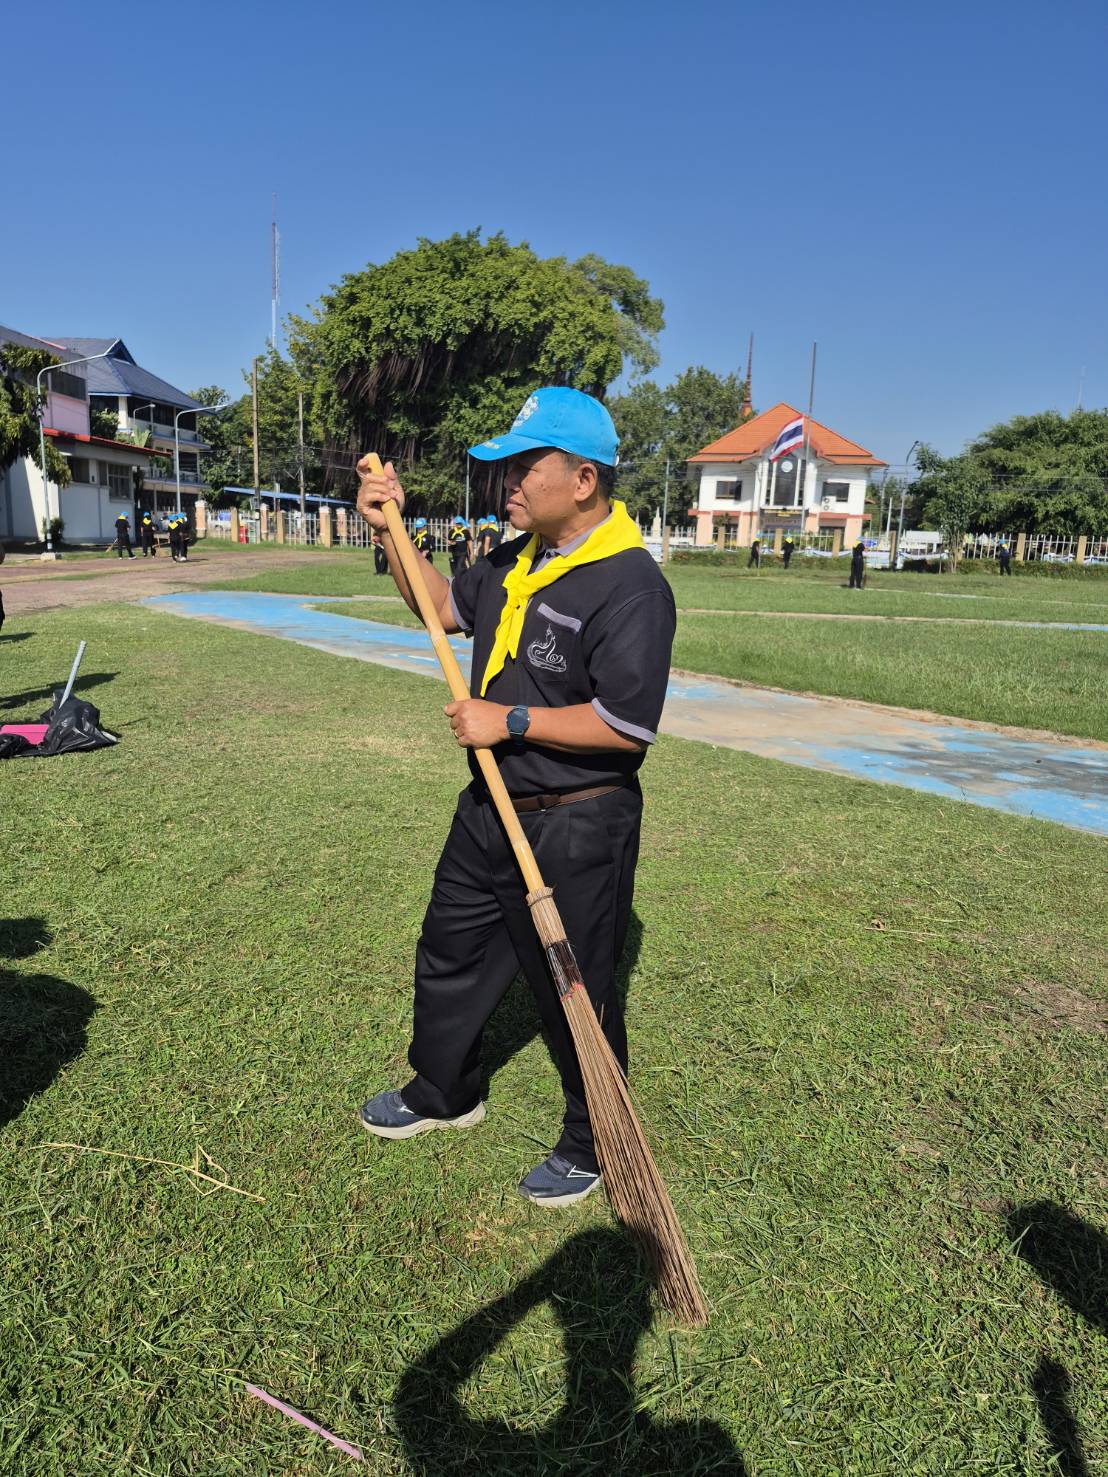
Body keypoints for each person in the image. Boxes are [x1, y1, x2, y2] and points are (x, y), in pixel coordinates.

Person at [354, 386, 676, 1207]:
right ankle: (443, 1088)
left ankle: (594, 1136)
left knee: (574, 983)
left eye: (526, 465)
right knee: (449, 946)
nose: (508, 480)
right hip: (490, 806)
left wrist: (513, 717)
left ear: (584, 479)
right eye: (506, 464)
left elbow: (625, 727)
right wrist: (390, 528)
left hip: (578, 817)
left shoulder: (630, 584)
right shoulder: (512, 559)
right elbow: (434, 604)